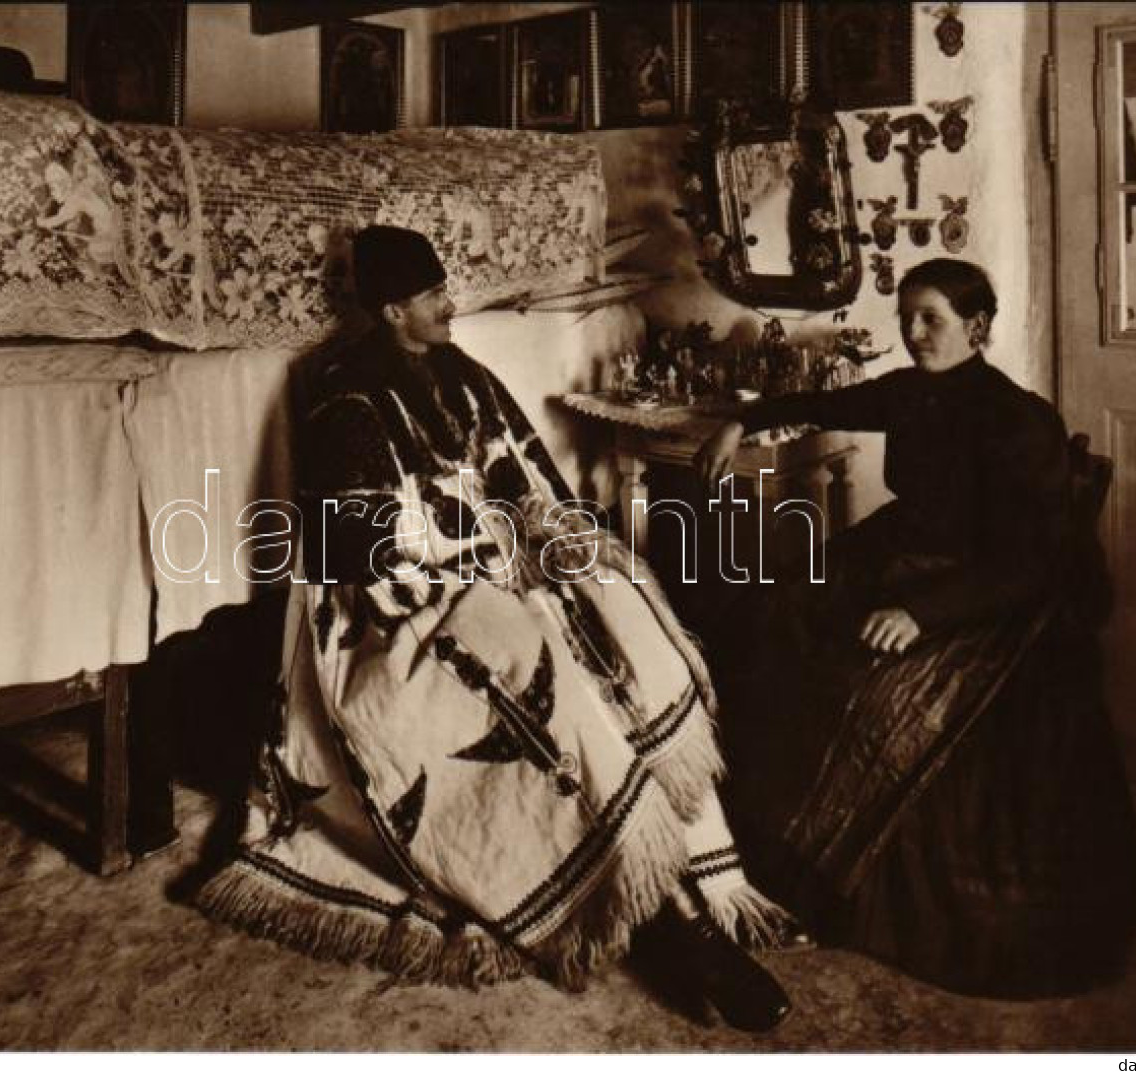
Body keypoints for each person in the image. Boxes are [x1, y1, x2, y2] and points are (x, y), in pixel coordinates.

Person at [193, 225, 796, 1030]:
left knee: (616, 601)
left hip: (492, 566)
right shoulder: (344, 392)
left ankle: (690, 871)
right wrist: (474, 565)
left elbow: (524, 475)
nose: (451, 305)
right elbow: (357, 550)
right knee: (533, 674)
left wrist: (552, 543)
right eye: (435, 296)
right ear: (393, 307)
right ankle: (664, 925)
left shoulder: (458, 370)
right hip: (399, 609)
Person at [692, 258, 1136, 997]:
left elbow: (1030, 562)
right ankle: (745, 854)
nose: (912, 333)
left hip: (988, 595)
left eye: (930, 318)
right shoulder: (911, 392)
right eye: (905, 317)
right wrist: (741, 420)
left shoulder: (1018, 421)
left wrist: (920, 614)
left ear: (977, 327)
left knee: (873, 695)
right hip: (903, 557)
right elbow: (827, 403)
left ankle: (829, 879)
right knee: (774, 615)